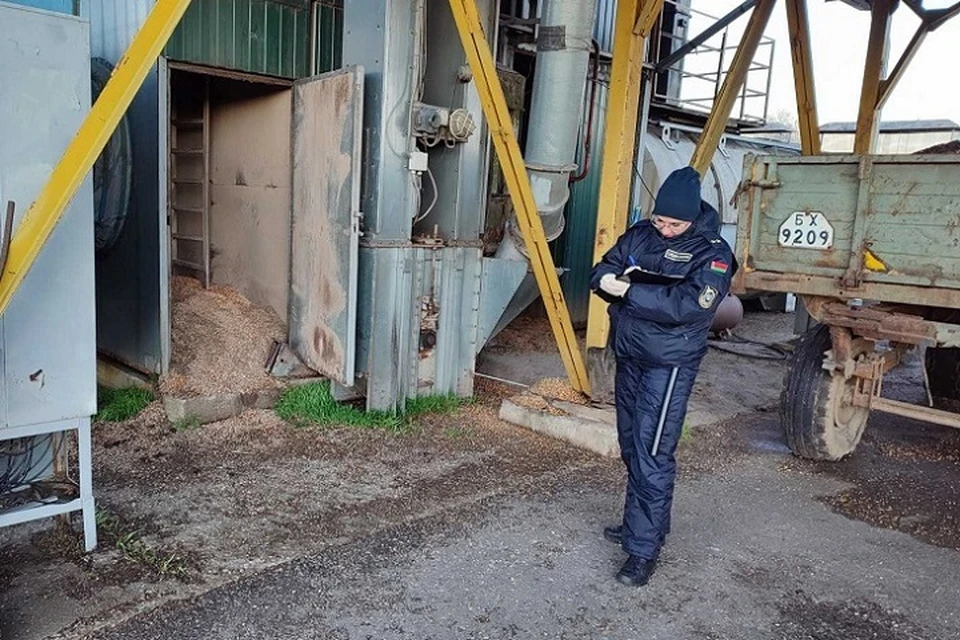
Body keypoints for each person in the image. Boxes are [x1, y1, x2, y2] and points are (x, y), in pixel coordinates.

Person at [588, 166, 737, 587]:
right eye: (660, 221)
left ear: (692, 218)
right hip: (631, 354)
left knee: (653, 453)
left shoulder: (713, 252)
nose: (666, 230)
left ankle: (643, 551)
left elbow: (690, 306)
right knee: (633, 447)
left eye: (674, 223)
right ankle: (641, 525)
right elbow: (602, 271)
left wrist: (630, 292)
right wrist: (608, 282)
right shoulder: (639, 234)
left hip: (669, 364)